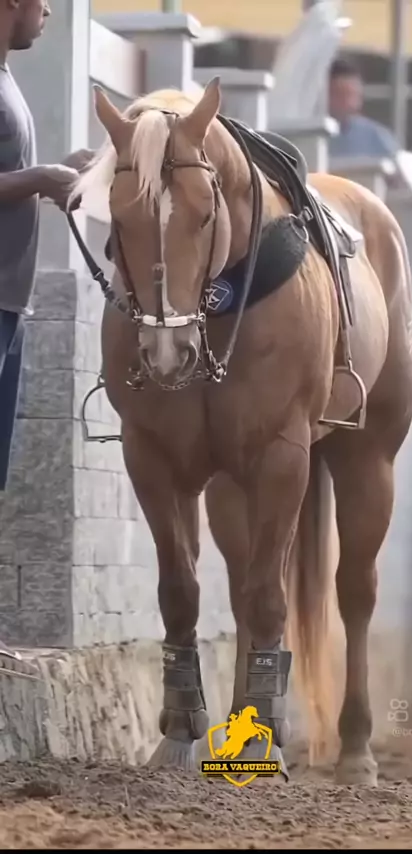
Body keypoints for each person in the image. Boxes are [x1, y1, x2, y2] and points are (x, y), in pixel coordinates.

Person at [0, 0, 94, 674]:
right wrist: (40, 178)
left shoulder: (9, 81)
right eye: (42, 1)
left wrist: (59, 172)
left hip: (11, 304)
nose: (50, 13)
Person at [327, 56, 400, 162]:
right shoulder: (310, 137)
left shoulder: (377, 137)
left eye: (354, 95)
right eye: (341, 95)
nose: (350, 103)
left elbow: (397, 167)